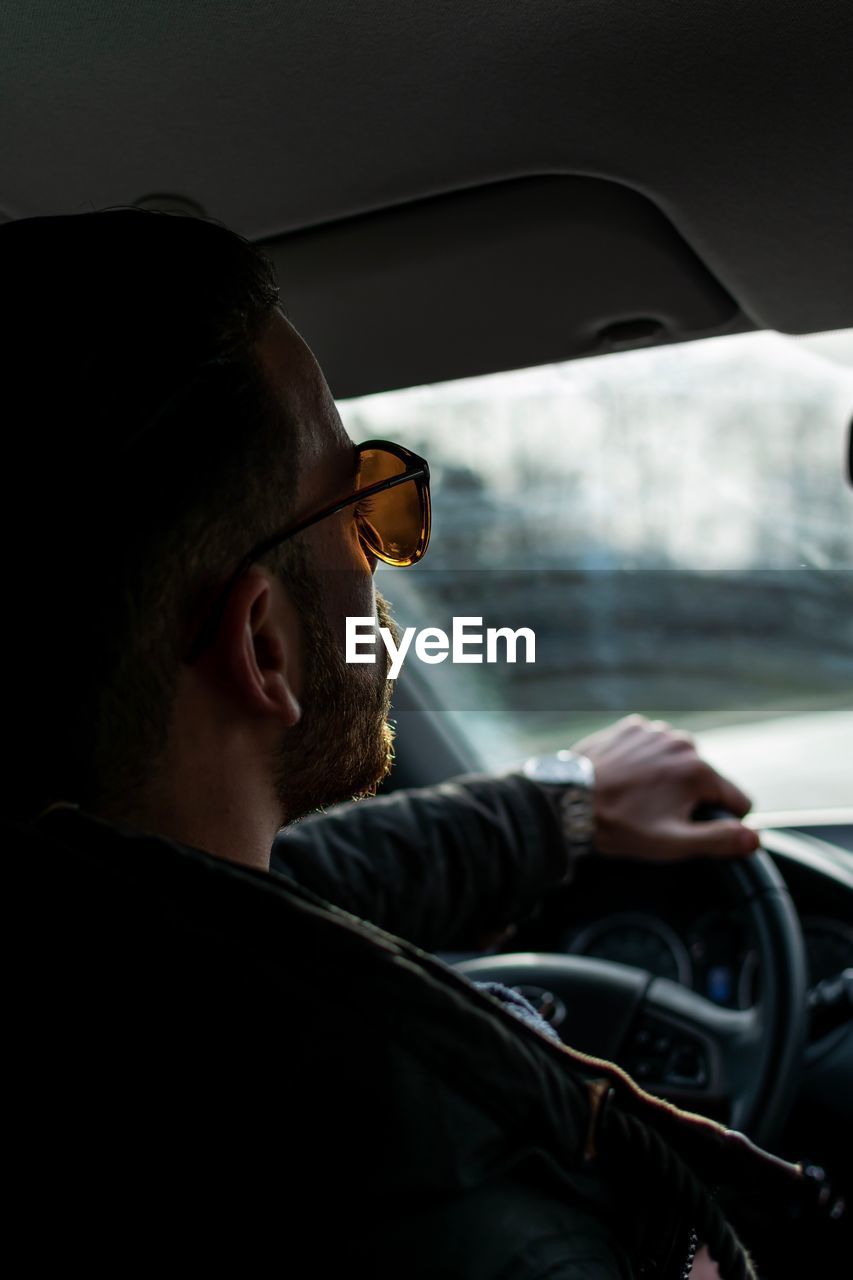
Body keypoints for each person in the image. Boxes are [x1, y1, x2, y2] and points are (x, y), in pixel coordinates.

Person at [2, 209, 806, 1279]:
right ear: (264, 644)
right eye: (364, 506)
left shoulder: (102, 934)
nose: (393, 560)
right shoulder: (442, 1210)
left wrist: (556, 804)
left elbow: (295, 894)